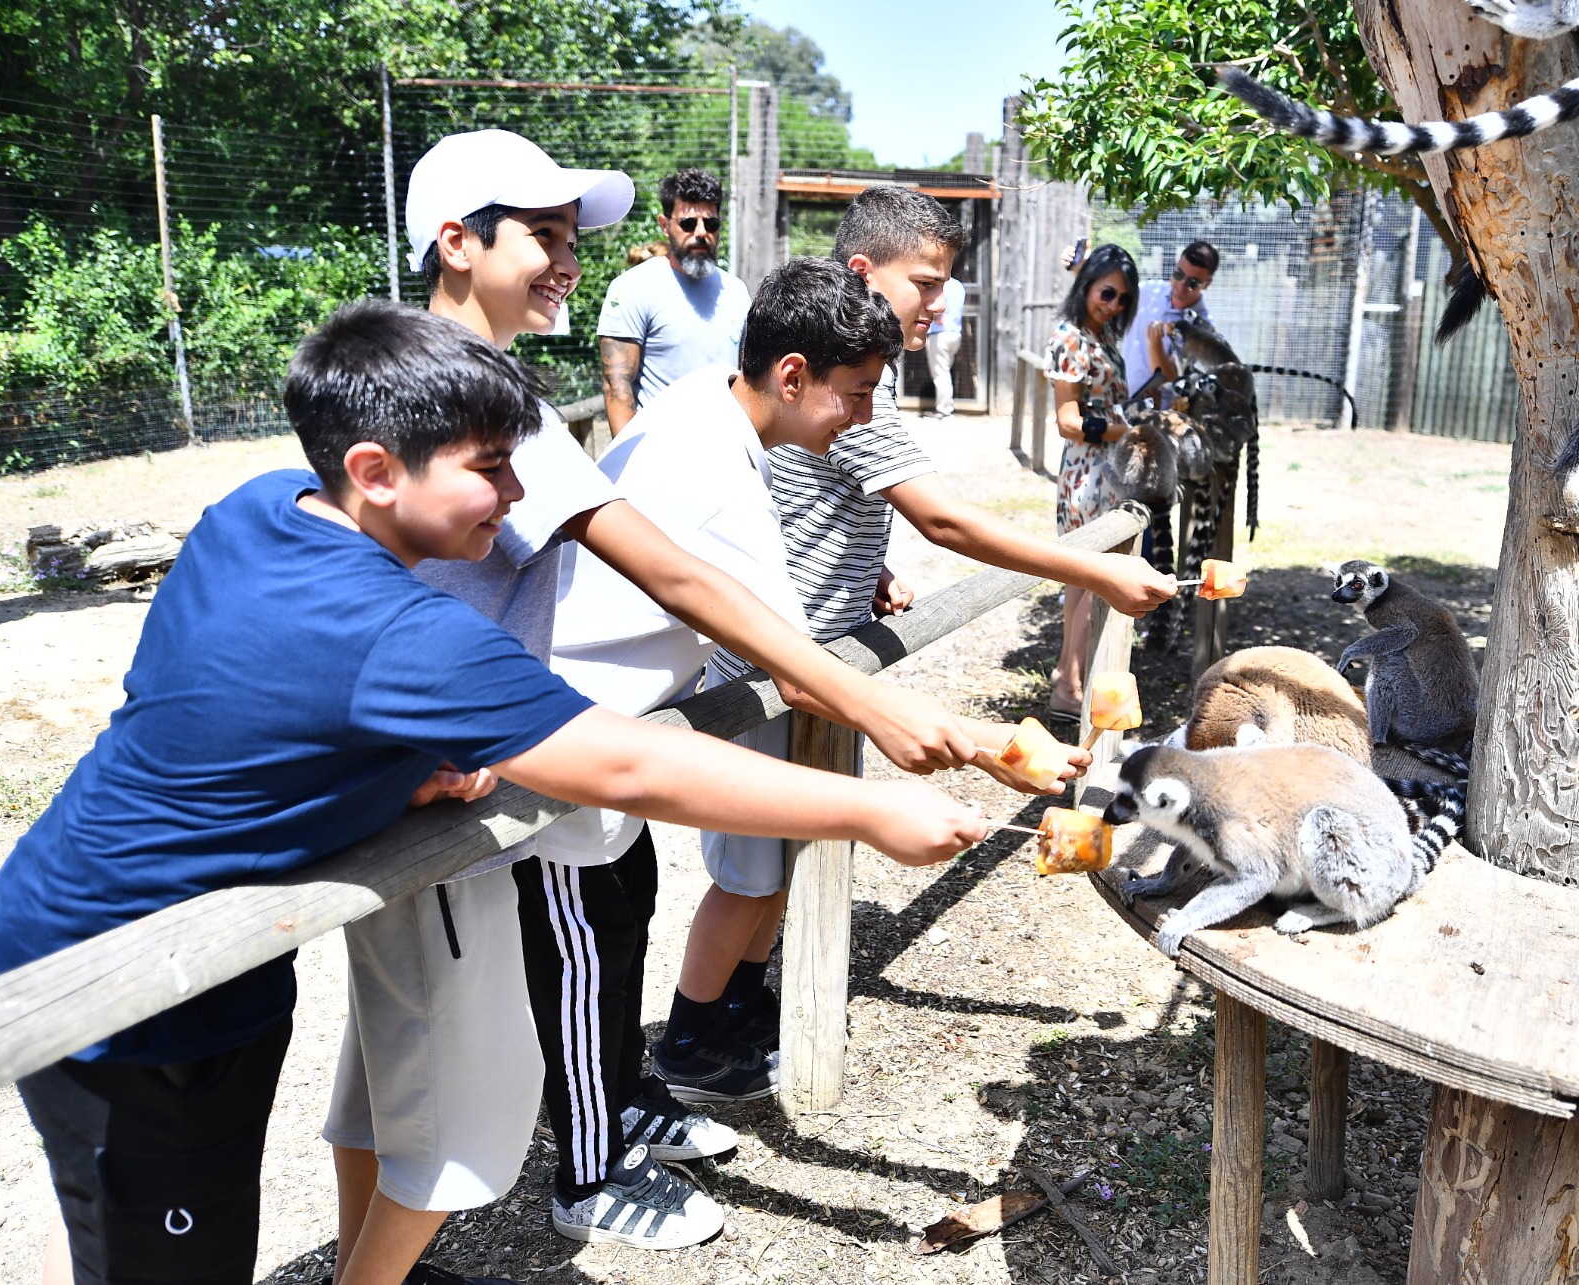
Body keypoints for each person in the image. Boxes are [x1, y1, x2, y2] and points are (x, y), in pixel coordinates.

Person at [0, 297, 989, 1285]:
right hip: (122, 986)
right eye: (490, 468)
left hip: (179, 948)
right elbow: (632, 764)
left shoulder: (259, 512)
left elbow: (220, 700)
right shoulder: (405, 632)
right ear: (376, 470)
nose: (514, 497)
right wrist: (870, 808)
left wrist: (384, 768)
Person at [326, 130, 1009, 1276]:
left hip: (460, 753)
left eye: (570, 238)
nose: (565, 262)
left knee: (394, 1073)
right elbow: (668, 568)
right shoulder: (453, 395)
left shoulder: (493, 388)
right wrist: (873, 716)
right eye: (538, 236)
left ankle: (374, 1264)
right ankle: (521, 1196)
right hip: (466, 761)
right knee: (454, 1101)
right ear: (455, 242)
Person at [653, 187, 1176, 1103]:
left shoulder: (863, 384)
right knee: (747, 873)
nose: (939, 301)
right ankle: (694, 1037)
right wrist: (1089, 570)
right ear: (864, 275)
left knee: (785, 856)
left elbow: (843, 504)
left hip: (824, 657)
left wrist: (870, 571)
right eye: (925, 283)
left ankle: (743, 1004)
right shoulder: (845, 385)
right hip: (775, 669)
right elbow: (943, 518)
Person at [1046, 244, 1141, 719]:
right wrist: (1129, 430)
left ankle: (1070, 677)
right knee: (1090, 579)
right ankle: (1070, 687)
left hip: (1104, 471)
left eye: (1123, 299)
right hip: (1087, 474)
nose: (1113, 304)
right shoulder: (1071, 339)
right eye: (1107, 292)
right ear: (1087, 285)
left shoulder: (1098, 337)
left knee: (1083, 582)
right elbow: (1067, 420)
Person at [597, 167, 750, 435]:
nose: (701, 232)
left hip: (726, 450)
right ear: (665, 225)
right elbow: (616, 387)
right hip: (657, 455)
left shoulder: (737, 291)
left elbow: (747, 379)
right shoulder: (632, 288)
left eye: (711, 223)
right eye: (688, 223)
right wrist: (629, 468)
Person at [1062, 239, 1218, 404]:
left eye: (1192, 283)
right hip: (1120, 401)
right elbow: (1105, 298)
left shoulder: (1202, 328)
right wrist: (1081, 270)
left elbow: (1172, 381)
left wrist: (1154, 343)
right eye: (1178, 274)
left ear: (1207, 283)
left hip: (1161, 417)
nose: (1181, 285)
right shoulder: (1150, 291)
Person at [923, 274, 966, 419]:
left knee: (941, 374)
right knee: (945, 372)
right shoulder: (958, 285)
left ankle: (944, 410)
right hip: (955, 334)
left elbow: (938, 311)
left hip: (939, 334)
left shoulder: (940, 286)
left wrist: (936, 317)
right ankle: (946, 406)